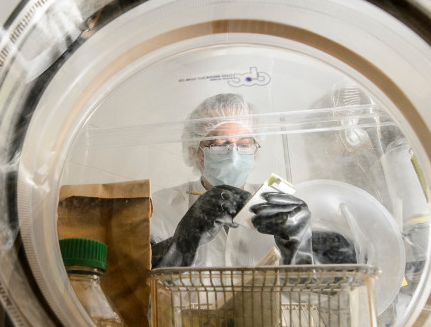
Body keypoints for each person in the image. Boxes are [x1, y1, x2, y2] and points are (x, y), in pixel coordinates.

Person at [150, 93, 355, 269]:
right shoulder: (161, 206)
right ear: (194, 150)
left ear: (255, 150)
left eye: (244, 143)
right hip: (187, 316)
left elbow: (320, 288)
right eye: (219, 144)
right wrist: (186, 238)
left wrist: (300, 244)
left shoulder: (281, 204)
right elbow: (132, 280)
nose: (234, 154)